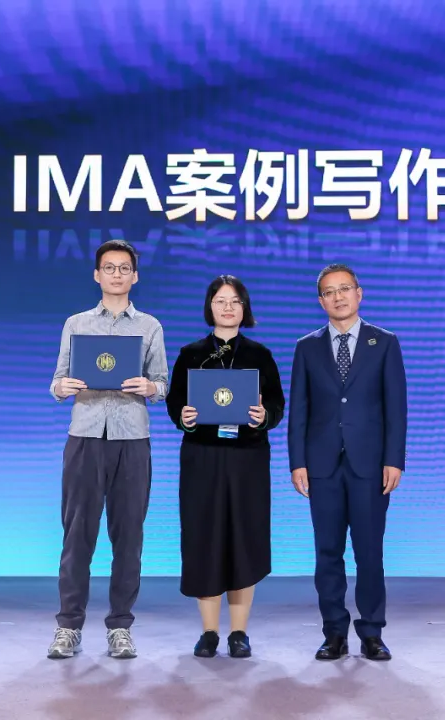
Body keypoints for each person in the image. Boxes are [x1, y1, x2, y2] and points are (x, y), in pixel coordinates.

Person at [46, 239, 169, 660]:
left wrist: (150, 387)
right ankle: (68, 626)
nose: (117, 274)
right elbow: (57, 381)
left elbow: (163, 384)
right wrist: (62, 387)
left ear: (135, 276)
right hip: (84, 437)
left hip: (132, 440)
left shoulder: (150, 326)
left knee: (129, 536)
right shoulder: (76, 323)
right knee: (77, 536)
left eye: (124, 268)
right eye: (109, 268)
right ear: (97, 275)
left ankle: (120, 626)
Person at [288, 263, 408, 662]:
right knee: (328, 552)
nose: (337, 297)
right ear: (320, 301)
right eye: (329, 292)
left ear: (359, 293)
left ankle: (372, 632)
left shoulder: (384, 342)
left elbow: (396, 407)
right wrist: (297, 462)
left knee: (369, 552)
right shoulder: (307, 347)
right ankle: (334, 633)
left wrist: (394, 459)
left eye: (344, 289)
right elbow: (299, 410)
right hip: (321, 465)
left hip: (370, 465)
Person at [165, 275, 285, 659]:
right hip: (202, 457)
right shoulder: (190, 354)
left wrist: (264, 416)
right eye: (221, 301)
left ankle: (239, 632)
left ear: (244, 308)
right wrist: (183, 416)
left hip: (247, 458)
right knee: (204, 537)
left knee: (244, 539)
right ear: (210, 307)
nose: (228, 307)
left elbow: (277, 405)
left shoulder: (260, 355)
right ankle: (208, 633)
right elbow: (174, 403)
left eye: (235, 301)